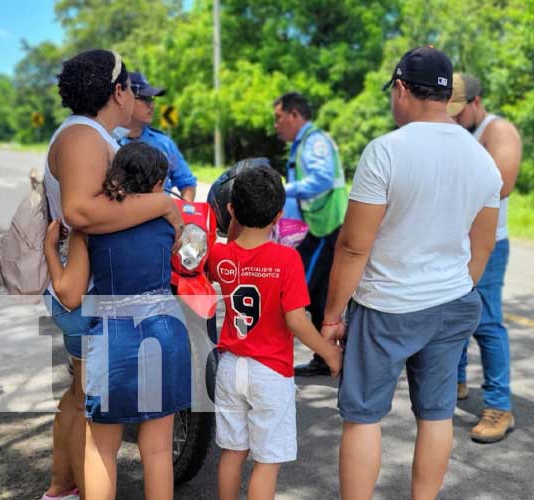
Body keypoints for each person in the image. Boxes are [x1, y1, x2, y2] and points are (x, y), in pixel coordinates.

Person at [322, 47, 503, 500]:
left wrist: (331, 316)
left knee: (363, 416)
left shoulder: (386, 151)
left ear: (401, 89)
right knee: (437, 413)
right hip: (453, 304)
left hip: (387, 306)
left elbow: (353, 245)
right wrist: (454, 286)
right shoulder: (482, 158)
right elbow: (481, 246)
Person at [40, 49, 184, 500]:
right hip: (104, 301)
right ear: (117, 91)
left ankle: (62, 487)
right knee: (105, 425)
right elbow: (81, 210)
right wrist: (164, 204)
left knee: (85, 408)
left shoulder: (90, 135)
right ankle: (62, 486)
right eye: (130, 87)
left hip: (100, 300)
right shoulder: (84, 135)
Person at [208, 166, 342, 500]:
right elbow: (296, 321)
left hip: (229, 367)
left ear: (231, 210)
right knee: (267, 461)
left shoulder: (219, 254)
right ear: (280, 215)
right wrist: (329, 353)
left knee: (232, 451)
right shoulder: (286, 259)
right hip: (269, 371)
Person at [448, 73, 522, 443]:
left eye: (458, 113)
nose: (454, 120)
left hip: (487, 244)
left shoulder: (498, 131)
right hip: (454, 242)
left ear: (476, 103)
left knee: (487, 322)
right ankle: (456, 382)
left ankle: (499, 406)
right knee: (455, 316)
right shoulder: (459, 131)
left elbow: (503, 183)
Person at [272, 92, 348, 377]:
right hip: (319, 227)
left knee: (296, 292)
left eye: (279, 118)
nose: (276, 125)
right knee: (320, 295)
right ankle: (328, 356)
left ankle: (321, 354)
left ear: (295, 115)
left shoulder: (314, 142)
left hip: (325, 228)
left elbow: (322, 179)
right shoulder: (303, 142)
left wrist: (283, 190)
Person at [118, 71, 197, 201]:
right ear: (125, 99)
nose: (152, 105)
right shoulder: (107, 140)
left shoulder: (164, 143)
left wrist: (184, 214)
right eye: (144, 98)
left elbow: (187, 183)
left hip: (162, 218)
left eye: (152, 99)